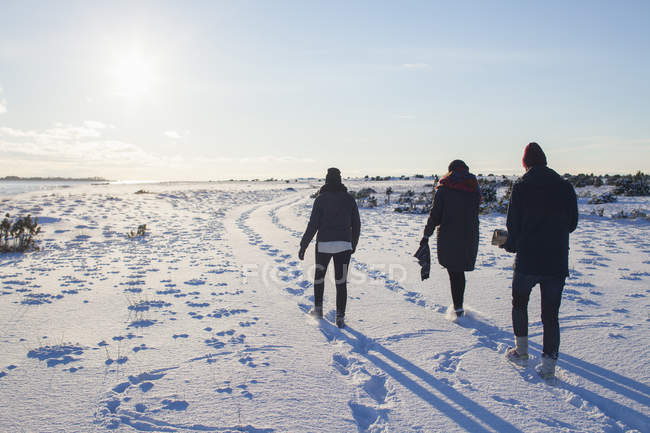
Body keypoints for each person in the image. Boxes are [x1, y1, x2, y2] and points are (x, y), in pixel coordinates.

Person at [502, 142, 578, 379]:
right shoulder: (565, 187)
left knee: (519, 303)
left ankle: (521, 352)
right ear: (545, 161)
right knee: (551, 315)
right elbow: (572, 224)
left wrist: (509, 244)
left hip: (528, 260)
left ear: (525, 163)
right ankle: (548, 367)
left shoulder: (522, 187)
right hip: (556, 261)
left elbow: (513, 226)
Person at [299, 168, 361, 329]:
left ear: (326, 180)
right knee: (341, 282)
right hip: (344, 245)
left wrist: (303, 245)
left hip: (324, 245)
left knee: (319, 277)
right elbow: (356, 224)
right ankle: (340, 317)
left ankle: (318, 310)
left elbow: (313, 225)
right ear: (340, 180)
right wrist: (353, 243)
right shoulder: (349, 199)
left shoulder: (321, 199)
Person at [419, 159, 480, 318]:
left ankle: (458, 308)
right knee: (459, 272)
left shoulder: (445, 188)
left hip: (449, 236)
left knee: (454, 272)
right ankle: (458, 306)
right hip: (469, 236)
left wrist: (426, 234)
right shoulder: (473, 187)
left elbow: (435, 215)